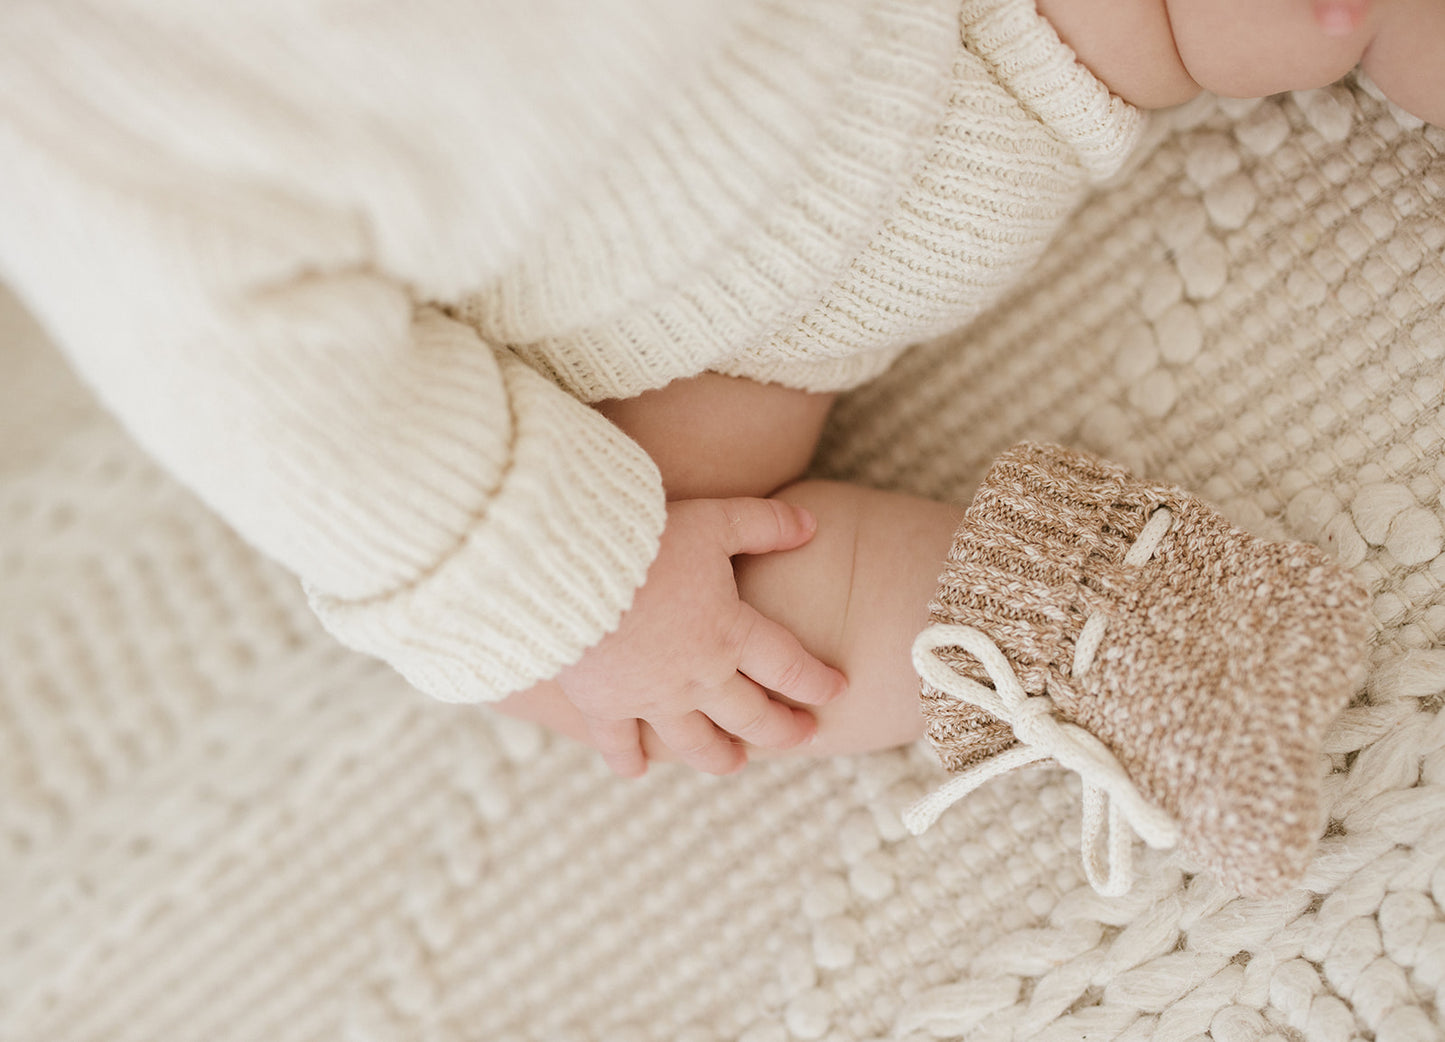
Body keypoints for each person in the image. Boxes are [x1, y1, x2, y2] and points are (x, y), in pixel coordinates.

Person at [0, 0, 1431, 894]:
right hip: (753, 281)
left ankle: (1069, 625)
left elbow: (273, 395)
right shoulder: (69, 106)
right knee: (641, 641)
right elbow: (280, 404)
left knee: (596, 648)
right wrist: (588, 584)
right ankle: (1079, 617)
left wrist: (579, 600)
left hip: (917, 104)